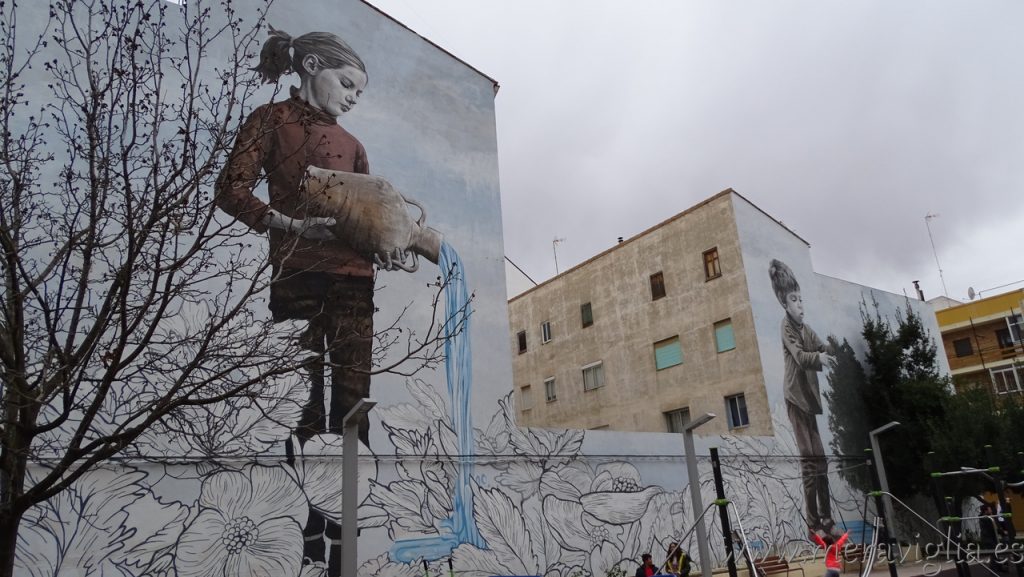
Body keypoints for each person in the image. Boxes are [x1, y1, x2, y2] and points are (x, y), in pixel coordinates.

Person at [215, 26, 414, 575]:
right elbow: (231, 188)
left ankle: (344, 551)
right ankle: (301, 545)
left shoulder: (354, 146)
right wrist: (287, 223)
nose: (352, 97)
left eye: (360, 91)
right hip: (298, 276)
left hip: (356, 285)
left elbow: (369, 219)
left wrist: (387, 247)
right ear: (309, 67)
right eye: (347, 83)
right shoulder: (269, 121)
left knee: (353, 410)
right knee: (303, 407)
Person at [768, 259, 836, 537]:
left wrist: (832, 347)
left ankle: (827, 517)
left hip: (810, 401)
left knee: (821, 460)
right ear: (785, 304)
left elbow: (822, 346)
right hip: (796, 399)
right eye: (794, 300)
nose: (800, 305)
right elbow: (800, 357)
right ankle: (812, 523)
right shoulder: (786, 328)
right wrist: (820, 357)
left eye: (801, 299)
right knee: (809, 459)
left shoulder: (807, 329)